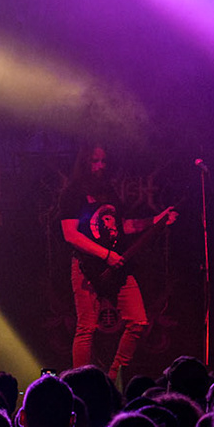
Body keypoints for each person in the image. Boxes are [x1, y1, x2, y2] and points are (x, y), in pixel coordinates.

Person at [56, 146, 173, 382]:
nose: (100, 166)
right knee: (86, 327)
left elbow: (124, 226)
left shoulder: (108, 191)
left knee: (138, 321)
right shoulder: (73, 192)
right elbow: (70, 234)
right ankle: (81, 383)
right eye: (95, 161)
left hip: (117, 267)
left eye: (103, 161)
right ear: (84, 163)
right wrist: (105, 254)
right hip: (87, 267)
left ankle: (111, 379)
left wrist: (155, 220)